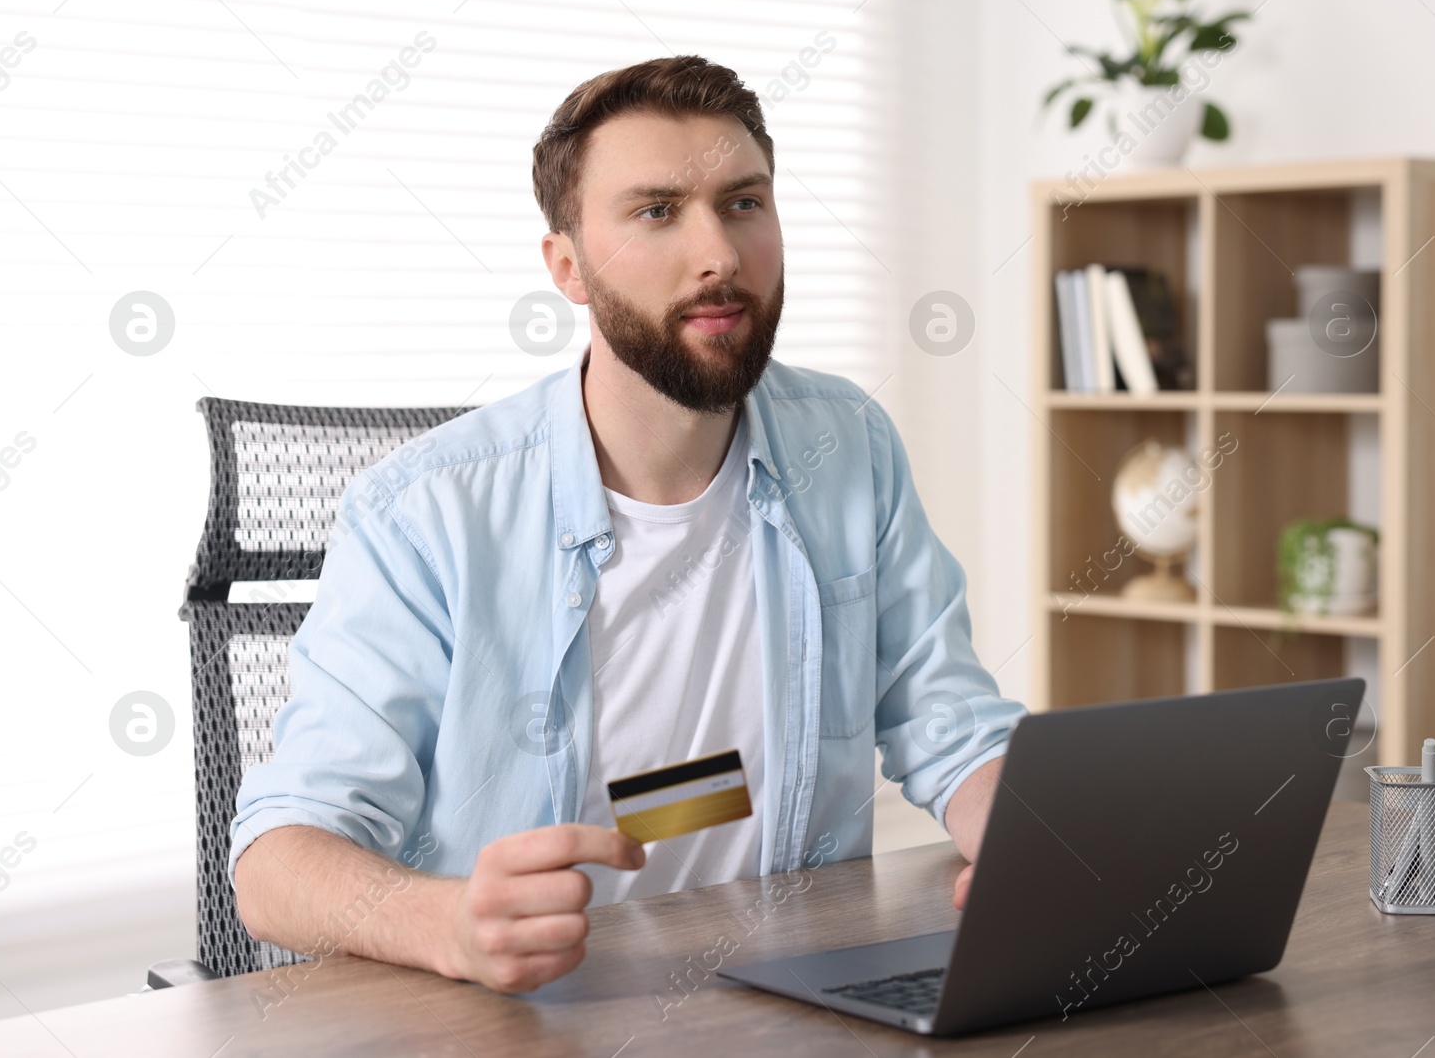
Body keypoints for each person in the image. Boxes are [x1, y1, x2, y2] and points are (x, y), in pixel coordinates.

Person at [230, 54, 1025, 995]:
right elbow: (276, 859)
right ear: (567, 266)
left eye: (743, 203)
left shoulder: (846, 443)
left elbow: (955, 727)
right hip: (528, 1018)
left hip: (798, 998)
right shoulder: (424, 513)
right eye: (656, 212)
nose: (719, 255)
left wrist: (1040, 847)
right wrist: (445, 921)